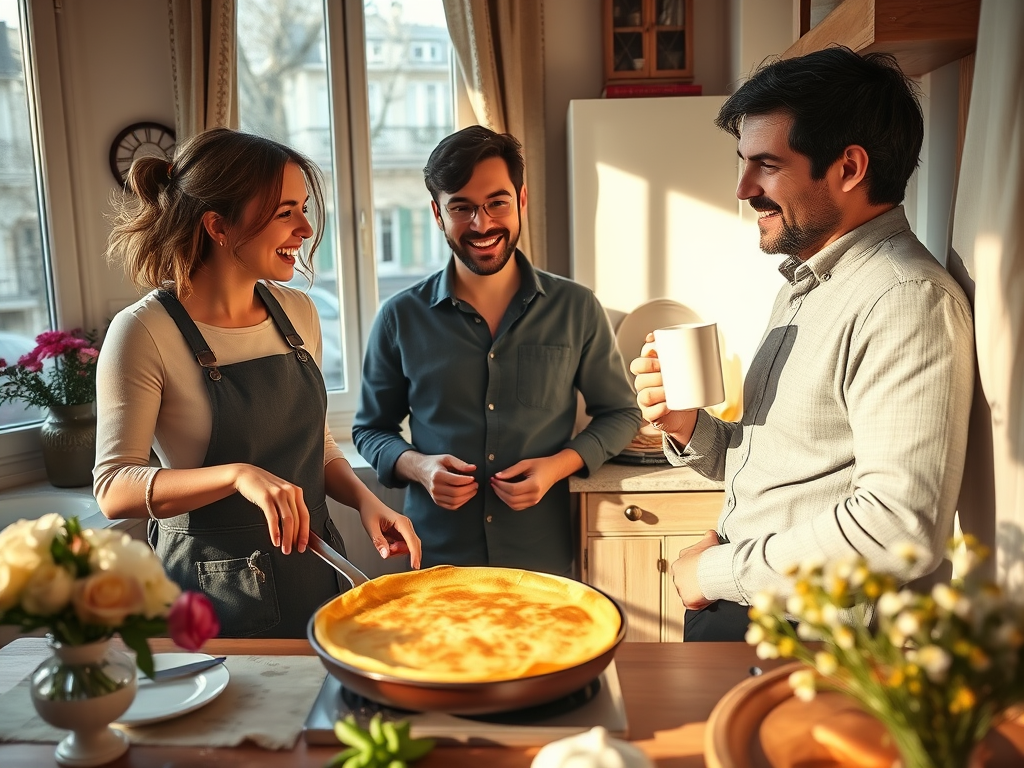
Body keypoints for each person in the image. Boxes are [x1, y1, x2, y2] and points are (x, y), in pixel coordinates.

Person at [630, 47, 975, 641]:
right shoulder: (807, 283)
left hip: (810, 637)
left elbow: (898, 529)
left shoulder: (905, 300)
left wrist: (714, 571)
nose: (742, 188)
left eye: (765, 164)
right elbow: (781, 464)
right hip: (751, 604)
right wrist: (690, 427)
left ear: (849, 167)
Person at [97, 128, 421, 639]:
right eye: (285, 212)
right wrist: (236, 475)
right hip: (210, 590)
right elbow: (114, 487)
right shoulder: (143, 331)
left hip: (314, 565)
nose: (307, 228)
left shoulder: (296, 313)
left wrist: (365, 501)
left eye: (305, 208)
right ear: (218, 226)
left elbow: (314, 443)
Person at [353, 126, 642, 576]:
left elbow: (622, 413)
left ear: (521, 200)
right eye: (462, 207)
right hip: (436, 560)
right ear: (437, 213)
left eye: (496, 203)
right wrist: (419, 466)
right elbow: (371, 429)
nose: (482, 224)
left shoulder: (577, 307)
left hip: (540, 559)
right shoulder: (399, 317)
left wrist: (556, 467)